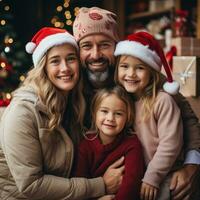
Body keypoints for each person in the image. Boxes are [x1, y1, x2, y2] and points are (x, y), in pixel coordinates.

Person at [73, 7, 200, 200]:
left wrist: (192, 165)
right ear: (78, 49)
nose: (96, 54)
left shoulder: (137, 75)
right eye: (87, 46)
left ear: (116, 47)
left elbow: (188, 120)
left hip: (150, 174)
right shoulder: (71, 81)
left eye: (104, 44)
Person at [0, 27, 123, 199]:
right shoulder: (23, 113)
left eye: (71, 59)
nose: (65, 68)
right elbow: (31, 185)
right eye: (55, 61)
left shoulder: (73, 101)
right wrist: (100, 186)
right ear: (43, 67)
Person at [114, 31, 184, 200]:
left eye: (139, 68)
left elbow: (171, 144)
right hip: (139, 173)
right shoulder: (123, 100)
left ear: (151, 72)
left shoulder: (162, 101)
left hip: (164, 174)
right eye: (125, 66)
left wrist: (153, 177)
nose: (131, 74)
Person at [74, 86, 144, 200]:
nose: (110, 118)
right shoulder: (85, 145)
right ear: (94, 113)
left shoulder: (132, 144)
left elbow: (132, 184)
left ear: (128, 117)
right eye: (104, 111)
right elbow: (80, 182)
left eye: (118, 114)